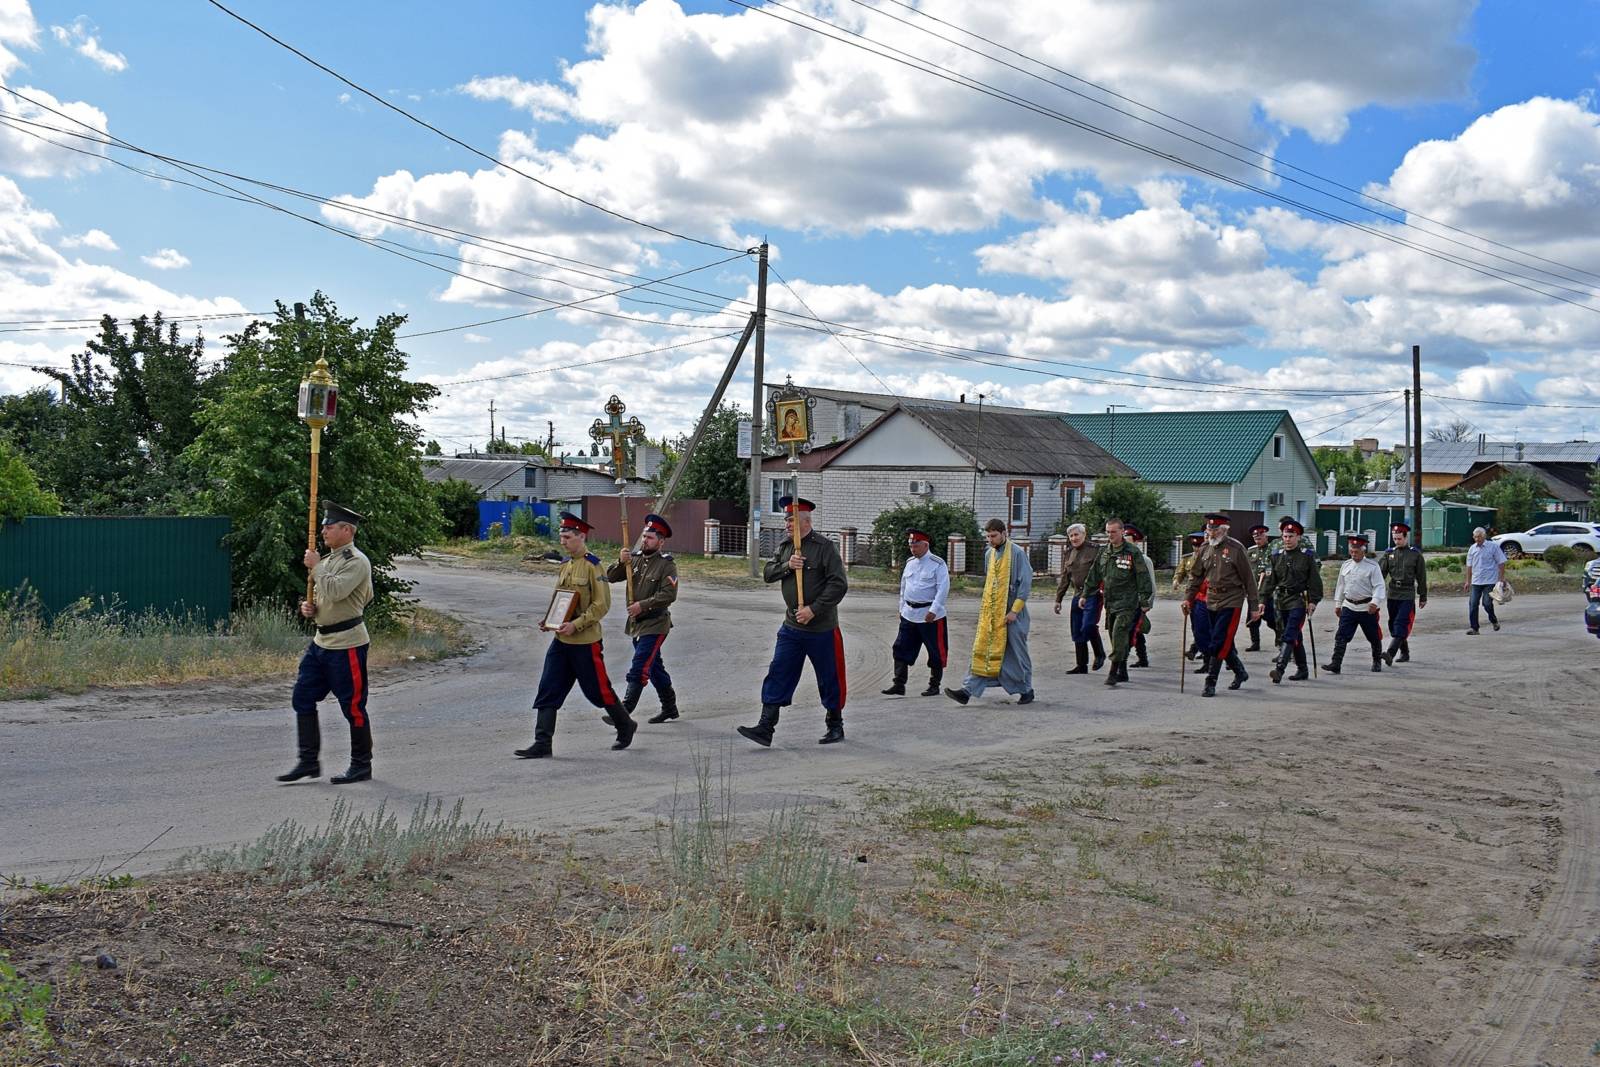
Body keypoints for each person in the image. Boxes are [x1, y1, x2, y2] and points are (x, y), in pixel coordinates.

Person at [514, 512, 635, 759]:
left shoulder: (593, 565)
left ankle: (625, 725)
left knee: (598, 691)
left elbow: (601, 605)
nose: (563, 541)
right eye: (561, 536)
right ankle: (542, 742)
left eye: (567, 537)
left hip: (584, 642)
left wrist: (577, 624)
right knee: (548, 688)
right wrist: (550, 620)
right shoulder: (565, 564)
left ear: (581, 537)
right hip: (561, 640)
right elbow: (561, 599)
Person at [278, 502, 376, 784]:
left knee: (353, 707)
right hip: (321, 642)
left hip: (348, 644)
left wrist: (316, 566)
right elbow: (325, 599)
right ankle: (308, 761)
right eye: (323, 526)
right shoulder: (331, 560)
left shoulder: (356, 561)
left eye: (329, 526)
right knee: (302, 697)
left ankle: (361, 765)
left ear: (347, 530)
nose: (323, 531)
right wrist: (310, 609)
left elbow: (336, 590)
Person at [739, 496, 849, 746]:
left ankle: (835, 724)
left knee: (829, 677)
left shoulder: (824, 547)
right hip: (791, 626)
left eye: (791, 520)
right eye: (787, 520)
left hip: (821, 627)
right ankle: (766, 727)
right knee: (779, 672)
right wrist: (788, 566)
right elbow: (768, 574)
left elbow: (838, 585)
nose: (787, 524)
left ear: (806, 521)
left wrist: (814, 609)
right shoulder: (786, 547)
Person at [947, 518, 1034, 705]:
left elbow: (1025, 584)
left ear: (1004, 534)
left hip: (1013, 615)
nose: (990, 540)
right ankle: (967, 690)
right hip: (993, 614)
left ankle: (1027, 689)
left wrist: (1014, 611)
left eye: (993, 536)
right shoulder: (990, 554)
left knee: (1017, 653)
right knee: (983, 651)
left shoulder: (1018, 553)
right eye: (987, 536)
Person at [605, 513, 681, 723]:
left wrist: (642, 605)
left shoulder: (667, 565)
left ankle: (623, 711)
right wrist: (621, 562)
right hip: (637, 625)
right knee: (655, 667)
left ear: (661, 541)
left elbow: (669, 595)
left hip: (656, 623)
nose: (645, 540)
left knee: (640, 665)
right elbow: (610, 577)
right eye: (645, 536)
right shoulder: (635, 559)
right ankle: (670, 708)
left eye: (650, 537)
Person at [1182, 513, 1260, 698]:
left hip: (1232, 599)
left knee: (1219, 640)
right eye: (1209, 529)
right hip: (1211, 599)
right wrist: (1188, 598)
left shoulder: (1236, 549)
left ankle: (1210, 682)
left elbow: (1249, 580)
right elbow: (1196, 576)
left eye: (1215, 530)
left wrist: (1254, 606)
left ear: (1224, 530)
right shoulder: (1204, 548)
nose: (1211, 533)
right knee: (1217, 641)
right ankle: (1240, 671)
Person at [1083, 517, 1153, 686]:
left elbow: (1143, 577)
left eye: (1114, 532)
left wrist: (1145, 600)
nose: (1110, 535)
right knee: (1115, 638)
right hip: (1110, 602)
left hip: (1127, 603)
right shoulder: (1104, 552)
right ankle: (1123, 671)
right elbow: (1094, 575)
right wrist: (1085, 594)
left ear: (1122, 532)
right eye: (1108, 532)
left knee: (1119, 633)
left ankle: (1113, 672)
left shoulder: (1132, 552)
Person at [883, 528, 949, 696]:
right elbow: (904, 587)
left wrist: (934, 610)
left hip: (930, 616)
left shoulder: (938, 564)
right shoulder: (910, 562)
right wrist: (901, 608)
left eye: (916, 545)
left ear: (925, 545)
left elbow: (943, 589)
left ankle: (934, 685)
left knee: (935, 651)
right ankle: (899, 683)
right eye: (911, 545)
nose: (912, 549)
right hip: (909, 613)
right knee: (900, 647)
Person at [1256, 517, 1321, 684]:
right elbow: (1270, 581)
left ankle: (1279, 669)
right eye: (1285, 536)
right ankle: (1303, 669)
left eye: (1291, 536)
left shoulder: (1306, 556)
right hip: (1282, 601)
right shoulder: (1276, 556)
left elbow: (1315, 581)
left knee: (1290, 632)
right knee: (1295, 635)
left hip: (1299, 600)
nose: (1287, 540)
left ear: (1298, 537)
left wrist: (1313, 601)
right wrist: (1262, 600)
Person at [1324, 533, 1386, 674]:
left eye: (1356, 552)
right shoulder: (1346, 565)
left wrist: (1375, 602)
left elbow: (1379, 586)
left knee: (1373, 636)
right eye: (1351, 551)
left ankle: (1377, 661)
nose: (1353, 554)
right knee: (1341, 635)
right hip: (1349, 606)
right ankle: (1336, 663)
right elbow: (1340, 585)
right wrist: (1338, 604)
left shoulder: (1372, 566)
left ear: (1363, 550)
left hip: (1366, 608)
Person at [1053, 522, 1105, 675]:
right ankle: (1081, 665)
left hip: (1092, 594)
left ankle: (1099, 653)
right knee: (1076, 630)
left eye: (1077, 534)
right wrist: (1058, 599)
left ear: (1084, 534)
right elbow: (1065, 578)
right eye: (1071, 535)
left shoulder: (1095, 550)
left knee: (1088, 626)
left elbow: (1102, 573)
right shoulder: (1068, 552)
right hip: (1077, 594)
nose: (1074, 538)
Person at [1380, 521, 1427, 665]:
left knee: (1401, 623)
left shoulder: (1415, 555)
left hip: (1407, 594)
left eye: (1399, 538)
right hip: (1393, 592)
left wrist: (1423, 596)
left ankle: (1390, 653)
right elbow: (1379, 574)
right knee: (1393, 624)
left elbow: (1421, 576)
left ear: (1406, 538)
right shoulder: (1389, 554)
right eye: (1395, 538)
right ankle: (1405, 652)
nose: (1397, 541)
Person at [1123, 524, 1157, 668]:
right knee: (1136, 630)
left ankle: (1120, 662)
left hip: (1138, 602)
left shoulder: (1144, 560)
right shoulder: (1121, 558)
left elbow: (1151, 585)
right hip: (1124, 602)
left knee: (1131, 631)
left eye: (1127, 538)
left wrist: (1147, 604)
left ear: (1136, 541)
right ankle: (1143, 658)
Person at [1463, 526, 1507, 635]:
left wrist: (1501, 578)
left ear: (1484, 536)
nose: (1477, 539)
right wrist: (1467, 581)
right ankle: (1474, 628)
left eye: (1479, 537)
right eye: (1475, 537)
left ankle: (1494, 620)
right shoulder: (1472, 549)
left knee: (1487, 604)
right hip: (1476, 581)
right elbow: (1469, 566)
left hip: (1490, 580)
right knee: (1473, 604)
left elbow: (1501, 562)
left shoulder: (1493, 547)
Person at [1173, 532, 1208, 661]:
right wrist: (1176, 580)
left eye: (1199, 545)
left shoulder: (1209, 557)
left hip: (1206, 596)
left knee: (1204, 626)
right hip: (1192, 596)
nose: (1197, 549)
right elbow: (1180, 571)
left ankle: (1200, 650)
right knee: (1196, 625)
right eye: (1194, 546)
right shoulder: (1187, 559)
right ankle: (1198, 648)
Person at [1243, 524, 1279, 652]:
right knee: (1252, 619)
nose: (1257, 539)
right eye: (1255, 537)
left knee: (1271, 618)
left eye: (1260, 536)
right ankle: (1255, 643)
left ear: (1266, 535)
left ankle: (1279, 639)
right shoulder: (1251, 551)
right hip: (1253, 591)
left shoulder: (1273, 550)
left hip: (1268, 591)